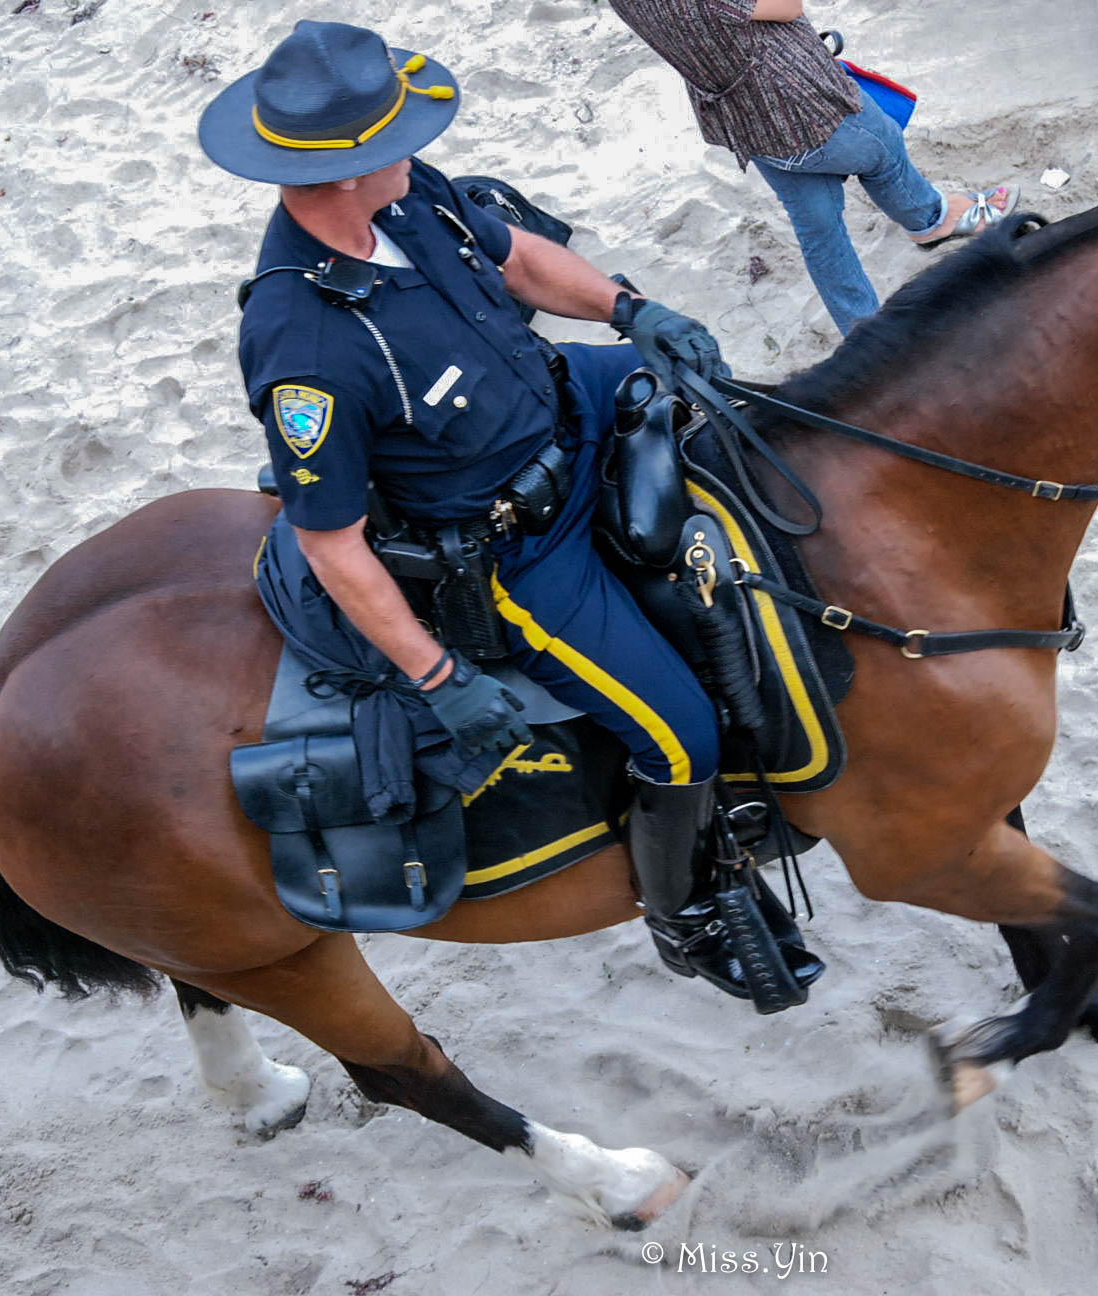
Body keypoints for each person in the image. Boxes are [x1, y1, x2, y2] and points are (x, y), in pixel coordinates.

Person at [198, 20, 801, 998]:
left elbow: (517, 259)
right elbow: (331, 542)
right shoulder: (304, 344)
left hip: (570, 397)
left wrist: (630, 312)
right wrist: (439, 677)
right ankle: (688, 918)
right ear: (350, 167)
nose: (418, 147)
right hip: (518, 549)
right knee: (678, 734)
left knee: (740, 419)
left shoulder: (408, 197)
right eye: (397, 136)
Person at [606, 0, 1018, 335]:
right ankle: (931, 220)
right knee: (883, 148)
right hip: (798, 99)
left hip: (743, 117)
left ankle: (864, 333)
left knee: (818, 226)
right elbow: (787, 5)